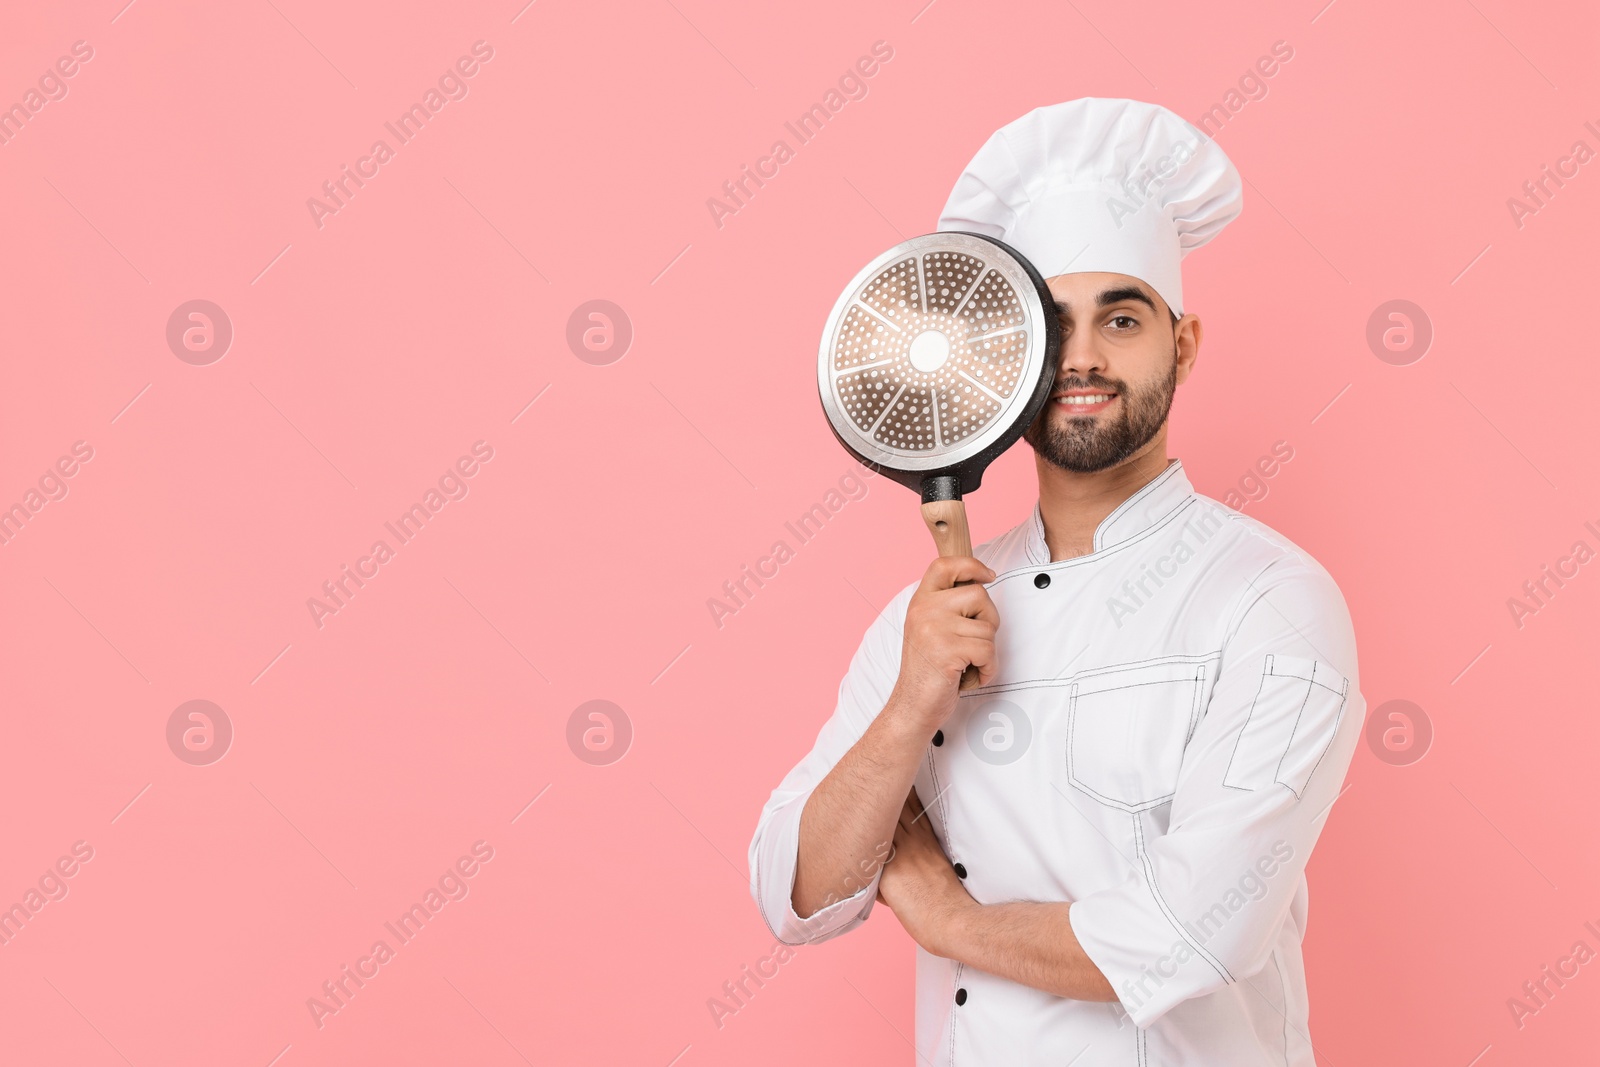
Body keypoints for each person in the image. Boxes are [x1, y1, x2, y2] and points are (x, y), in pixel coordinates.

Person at [748, 97, 1364, 1065]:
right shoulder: (930, 620)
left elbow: (1189, 929)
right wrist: (911, 704)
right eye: (1050, 325)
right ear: (1009, 359)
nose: (1080, 358)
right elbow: (797, 892)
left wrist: (949, 920)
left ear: (1184, 344)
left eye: (1120, 316)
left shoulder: (1270, 600)